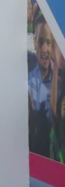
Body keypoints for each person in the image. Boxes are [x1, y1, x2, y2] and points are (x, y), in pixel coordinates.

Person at [30, 14, 56, 156]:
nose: (44, 49)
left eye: (48, 42)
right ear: (34, 43)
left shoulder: (59, 85)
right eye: (40, 42)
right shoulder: (27, 67)